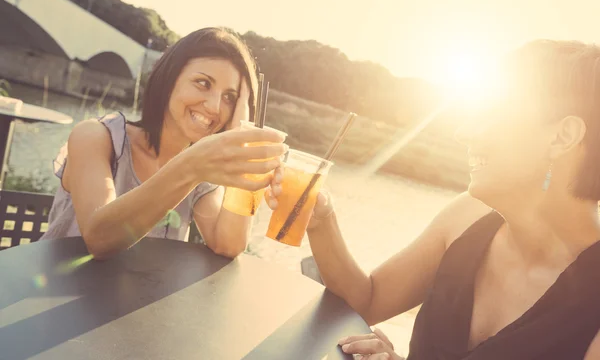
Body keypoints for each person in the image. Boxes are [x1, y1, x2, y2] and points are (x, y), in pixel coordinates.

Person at [267, 40, 600, 359]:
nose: (464, 133)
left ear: (562, 136)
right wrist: (323, 221)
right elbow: (367, 299)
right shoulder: (466, 217)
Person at [41, 27, 287, 260]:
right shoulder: (96, 137)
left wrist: (244, 150)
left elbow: (228, 244)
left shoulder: (201, 169)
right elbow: (99, 239)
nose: (214, 106)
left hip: (131, 304)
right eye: (203, 83)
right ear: (169, 79)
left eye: (229, 98)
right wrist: (190, 168)